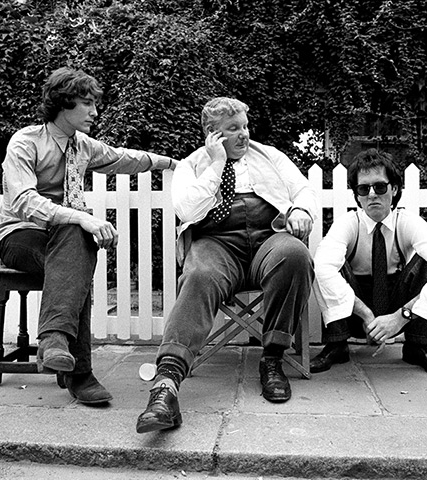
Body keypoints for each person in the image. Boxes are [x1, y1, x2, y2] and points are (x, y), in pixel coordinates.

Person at [0, 67, 177, 405]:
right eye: (86, 103)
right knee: (77, 242)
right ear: (63, 104)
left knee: (75, 246)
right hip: (21, 236)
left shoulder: (83, 146)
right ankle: (80, 375)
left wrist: (170, 163)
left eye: (95, 104)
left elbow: (123, 158)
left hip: (64, 242)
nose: (95, 112)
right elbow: (23, 202)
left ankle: (54, 342)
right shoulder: (26, 142)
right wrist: (81, 217)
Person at [136, 97, 318, 434]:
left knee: (295, 255)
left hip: (269, 237)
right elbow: (188, 212)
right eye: (233, 129)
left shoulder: (270, 156)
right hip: (218, 243)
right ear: (212, 134)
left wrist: (301, 211)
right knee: (199, 274)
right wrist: (217, 164)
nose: (244, 135)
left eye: (245, 126)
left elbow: (301, 189)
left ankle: (273, 358)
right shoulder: (192, 165)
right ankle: (166, 385)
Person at [310, 148, 427, 378]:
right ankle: (337, 345)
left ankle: (418, 347)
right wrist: (365, 315)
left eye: (380, 187)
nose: (372, 194)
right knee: (329, 263)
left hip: (398, 303)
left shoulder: (409, 222)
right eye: (364, 189)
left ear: (394, 189)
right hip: (355, 308)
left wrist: (399, 318)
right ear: (357, 196)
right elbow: (322, 268)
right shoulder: (349, 223)